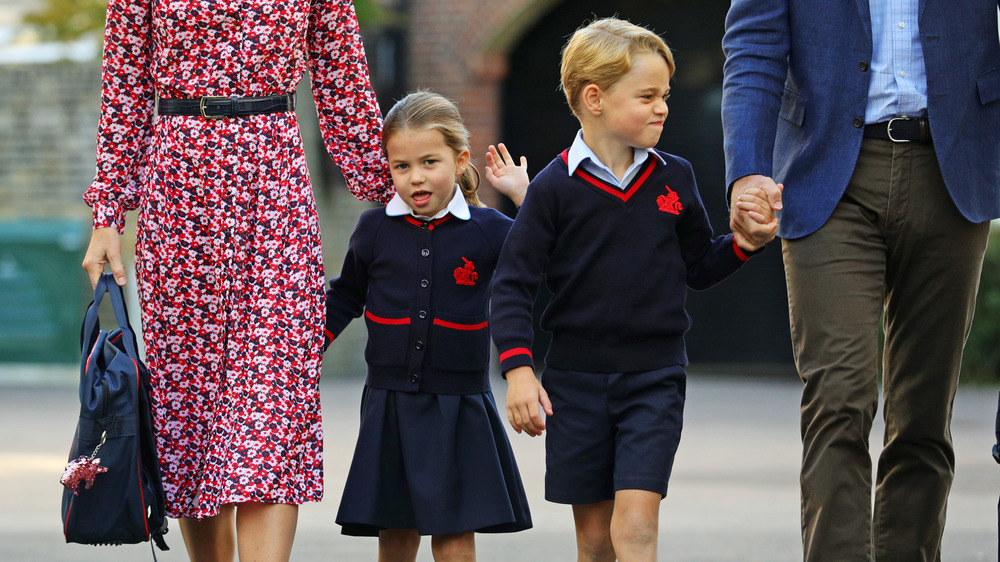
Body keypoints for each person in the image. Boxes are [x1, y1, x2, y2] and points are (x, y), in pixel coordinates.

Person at [79, 0, 393, 560]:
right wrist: (107, 215)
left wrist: (398, 198)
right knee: (192, 403)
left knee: (275, 395)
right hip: (180, 189)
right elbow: (124, 85)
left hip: (275, 181)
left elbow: (343, 74)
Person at [721, 1, 1000, 560]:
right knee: (839, 397)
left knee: (923, 413)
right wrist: (748, 169)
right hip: (827, 172)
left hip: (953, 169)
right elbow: (753, 48)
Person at [490, 18, 776, 562]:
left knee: (638, 527)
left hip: (655, 379)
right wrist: (520, 371)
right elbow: (511, 284)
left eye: (664, 95)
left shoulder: (678, 177)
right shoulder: (552, 189)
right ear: (594, 99)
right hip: (574, 385)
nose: (663, 107)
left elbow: (700, 264)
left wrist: (744, 243)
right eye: (647, 96)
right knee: (596, 544)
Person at [324, 91, 533, 561]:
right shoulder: (373, 229)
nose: (415, 177)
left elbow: (553, 260)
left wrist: (525, 195)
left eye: (429, 162)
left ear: (461, 161)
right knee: (395, 531)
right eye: (401, 166)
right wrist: (302, 349)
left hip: (459, 401)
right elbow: (346, 294)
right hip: (389, 400)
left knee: (455, 534)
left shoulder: (490, 229)